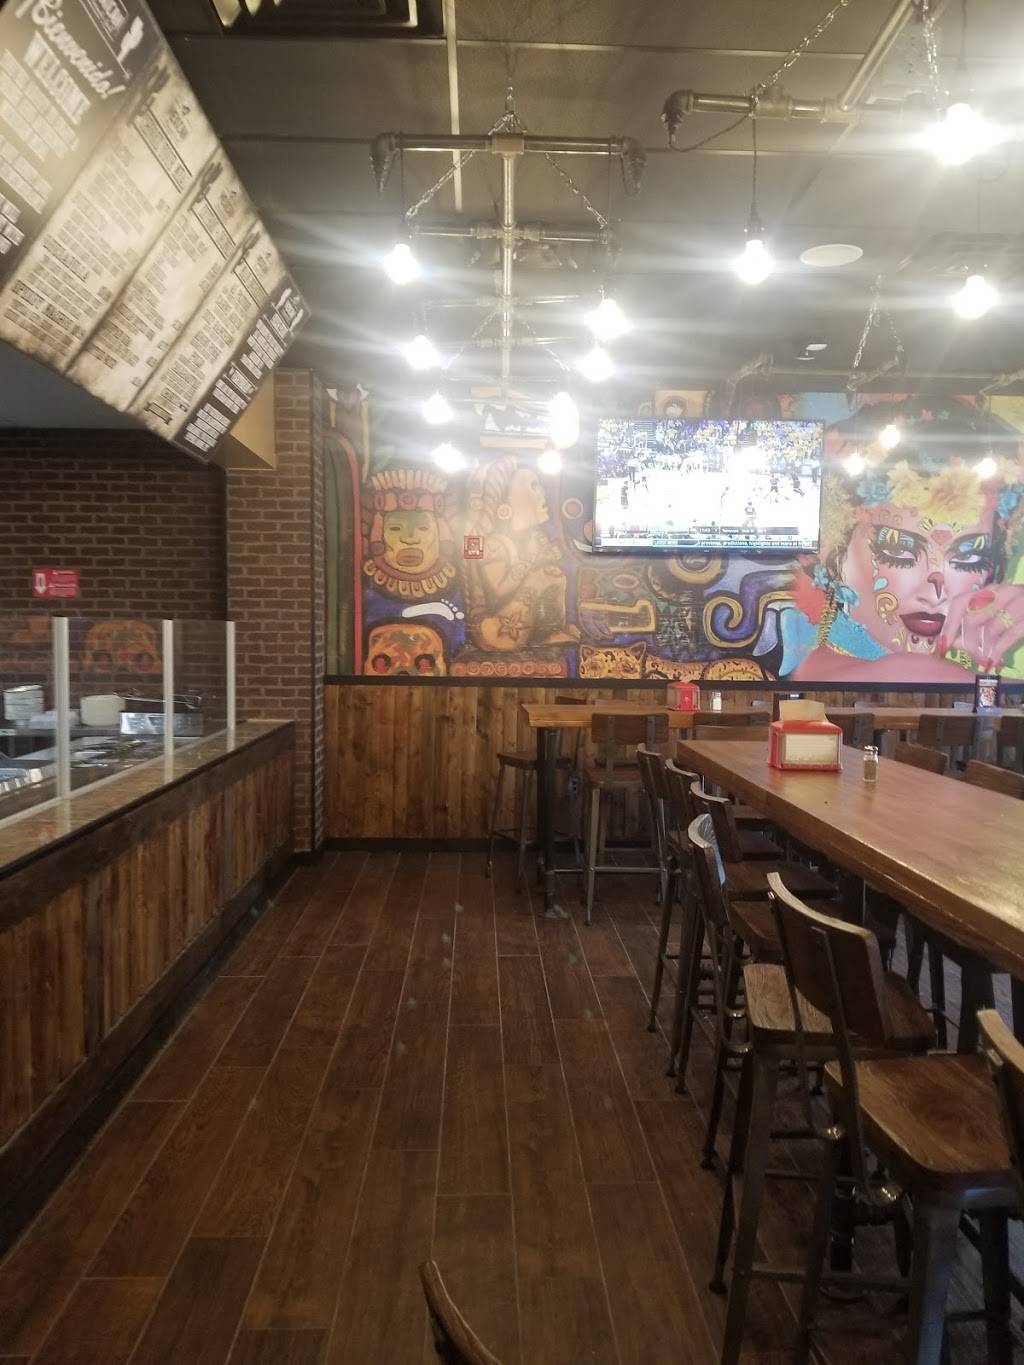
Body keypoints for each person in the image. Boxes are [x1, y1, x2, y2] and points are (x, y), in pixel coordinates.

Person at [785, 398, 1024, 683]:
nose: (936, 589)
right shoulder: (897, 670)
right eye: (899, 550)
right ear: (834, 554)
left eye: (968, 557)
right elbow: (909, 671)